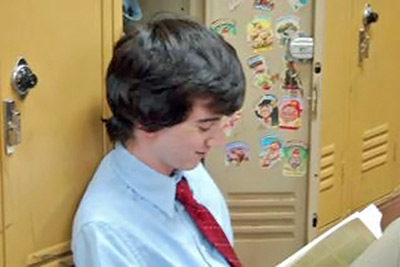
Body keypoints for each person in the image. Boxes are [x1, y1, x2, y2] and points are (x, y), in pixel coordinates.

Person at [71, 16, 245, 266]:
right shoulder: (107, 231)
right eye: (205, 126)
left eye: (220, 123)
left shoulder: (189, 173)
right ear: (147, 119)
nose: (217, 140)